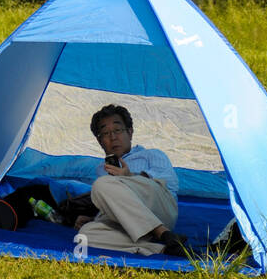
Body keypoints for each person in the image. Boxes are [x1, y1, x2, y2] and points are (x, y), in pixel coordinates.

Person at [73, 104, 186, 257]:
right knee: (85, 234)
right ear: (100, 142)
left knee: (102, 185)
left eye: (118, 130)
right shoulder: (102, 169)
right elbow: (118, 203)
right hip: (129, 222)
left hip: (160, 211)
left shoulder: (151, 155)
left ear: (130, 133)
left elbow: (170, 183)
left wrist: (130, 177)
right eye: (105, 133)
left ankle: (162, 233)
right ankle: (163, 248)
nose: (113, 137)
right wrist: (95, 217)